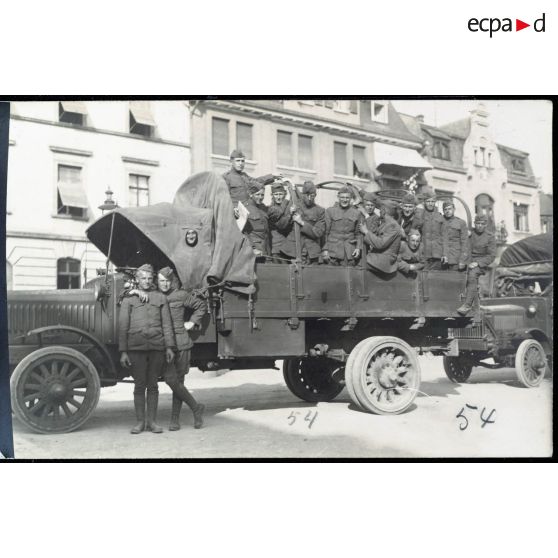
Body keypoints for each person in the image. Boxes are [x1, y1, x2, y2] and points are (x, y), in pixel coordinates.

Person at [118, 264, 175, 434]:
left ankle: (152, 422)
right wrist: (123, 351)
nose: (147, 281)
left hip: (157, 347)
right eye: (143, 278)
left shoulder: (160, 298)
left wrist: (169, 347)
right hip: (136, 347)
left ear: (153, 280)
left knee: (153, 385)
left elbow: (166, 324)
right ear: (137, 279)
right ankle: (140, 423)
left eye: (150, 278)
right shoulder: (129, 299)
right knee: (139, 385)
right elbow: (123, 326)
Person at [156, 267, 206, 429]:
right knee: (171, 380)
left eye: (167, 281)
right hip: (165, 345)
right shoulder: (155, 296)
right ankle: (196, 407)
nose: (164, 284)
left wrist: (192, 322)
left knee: (179, 382)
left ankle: (174, 420)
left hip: (182, 343)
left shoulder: (181, 295)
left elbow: (200, 305)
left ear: (172, 281)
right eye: (161, 281)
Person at [457, 215, 496, 315]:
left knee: (472, 275)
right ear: (475, 224)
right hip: (468, 260)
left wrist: (478, 263)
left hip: (481, 264)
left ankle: (467, 305)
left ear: (486, 225)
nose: (479, 226)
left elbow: (491, 256)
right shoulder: (470, 233)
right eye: (477, 223)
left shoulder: (490, 237)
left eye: (482, 224)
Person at [222, 149, 281, 217]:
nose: (240, 163)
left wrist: (272, 176)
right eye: (238, 161)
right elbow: (223, 198)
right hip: (235, 215)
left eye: (242, 161)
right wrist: (232, 208)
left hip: (247, 214)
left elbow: (257, 181)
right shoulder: (226, 177)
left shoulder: (244, 176)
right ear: (231, 161)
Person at [281, 181, 326, 265]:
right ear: (303, 195)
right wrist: (290, 215)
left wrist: (302, 222)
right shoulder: (294, 205)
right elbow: (282, 226)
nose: (309, 198)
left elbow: (318, 232)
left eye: (312, 196)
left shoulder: (320, 211)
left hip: (311, 252)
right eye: (307, 195)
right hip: (293, 250)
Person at [359, 199, 402, 274]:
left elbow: (380, 244)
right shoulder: (385, 223)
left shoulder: (393, 226)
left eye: (380, 209)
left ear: (384, 211)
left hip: (384, 260)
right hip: (379, 256)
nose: (379, 212)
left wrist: (366, 231)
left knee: (358, 264)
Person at [322, 186, 362, 266]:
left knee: (348, 277)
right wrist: (325, 249)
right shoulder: (330, 211)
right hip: (333, 252)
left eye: (347, 197)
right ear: (338, 197)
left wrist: (358, 248)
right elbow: (325, 233)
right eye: (342, 197)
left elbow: (358, 234)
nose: (345, 200)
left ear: (351, 198)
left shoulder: (356, 213)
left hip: (349, 252)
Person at [267, 182, 292, 263]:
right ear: (272, 195)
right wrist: (287, 200)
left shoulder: (287, 207)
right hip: (277, 250)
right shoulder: (271, 209)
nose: (278, 197)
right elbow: (281, 225)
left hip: (288, 248)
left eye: (280, 194)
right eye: (276, 194)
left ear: (284, 194)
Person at [420, 187, 444, 270]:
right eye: (428, 201)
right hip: (424, 254)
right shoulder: (420, 215)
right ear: (424, 202)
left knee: (435, 279)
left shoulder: (440, 216)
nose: (430, 204)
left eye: (432, 201)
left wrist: (444, 254)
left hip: (437, 255)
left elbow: (445, 235)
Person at [243, 182, 270, 259]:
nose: (260, 197)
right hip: (253, 250)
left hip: (264, 248)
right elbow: (243, 232)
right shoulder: (244, 208)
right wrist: (253, 248)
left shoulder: (263, 207)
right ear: (251, 194)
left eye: (262, 195)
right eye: (257, 194)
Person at [441, 200, 469, 271]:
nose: (447, 211)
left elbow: (464, 243)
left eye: (449, 209)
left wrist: (462, 260)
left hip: (455, 259)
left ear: (454, 209)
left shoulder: (461, 223)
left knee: (455, 280)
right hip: (442, 258)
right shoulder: (440, 221)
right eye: (445, 209)